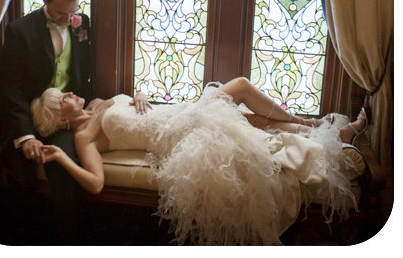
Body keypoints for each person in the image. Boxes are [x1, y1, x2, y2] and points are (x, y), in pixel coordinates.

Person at [31, 77, 368, 245]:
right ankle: (317, 126)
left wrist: (139, 95)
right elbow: (96, 182)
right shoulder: (83, 136)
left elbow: (128, 100)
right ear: (61, 121)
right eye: (63, 100)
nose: (70, 95)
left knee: (249, 120)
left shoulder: (99, 102)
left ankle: (326, 131)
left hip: (177, 113)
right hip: (175, 133)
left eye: (65, 93)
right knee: (239, 87)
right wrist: (60, 156)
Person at [0, 0, 93, 244]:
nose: (67, 18)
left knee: (64, 172)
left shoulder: (81, 23)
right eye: (61, 13)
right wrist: (26, 136)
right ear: (44, 0)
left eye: (72, 11)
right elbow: (11, 90)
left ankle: (68, 241)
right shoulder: (18, 31)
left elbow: (86, 71)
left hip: (61, 117)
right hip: (26, 117)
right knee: (19, 181)